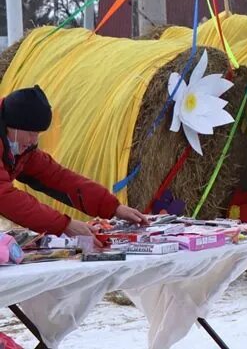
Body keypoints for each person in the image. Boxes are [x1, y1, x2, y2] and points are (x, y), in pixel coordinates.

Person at [0, 86, 148, 243]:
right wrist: (64, 225)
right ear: (13, 125)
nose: (34, 141)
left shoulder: (21, 150)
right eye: (31, 133)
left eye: (38, 134)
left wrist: (113, 207)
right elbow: (5, 197)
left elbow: (58, 177)